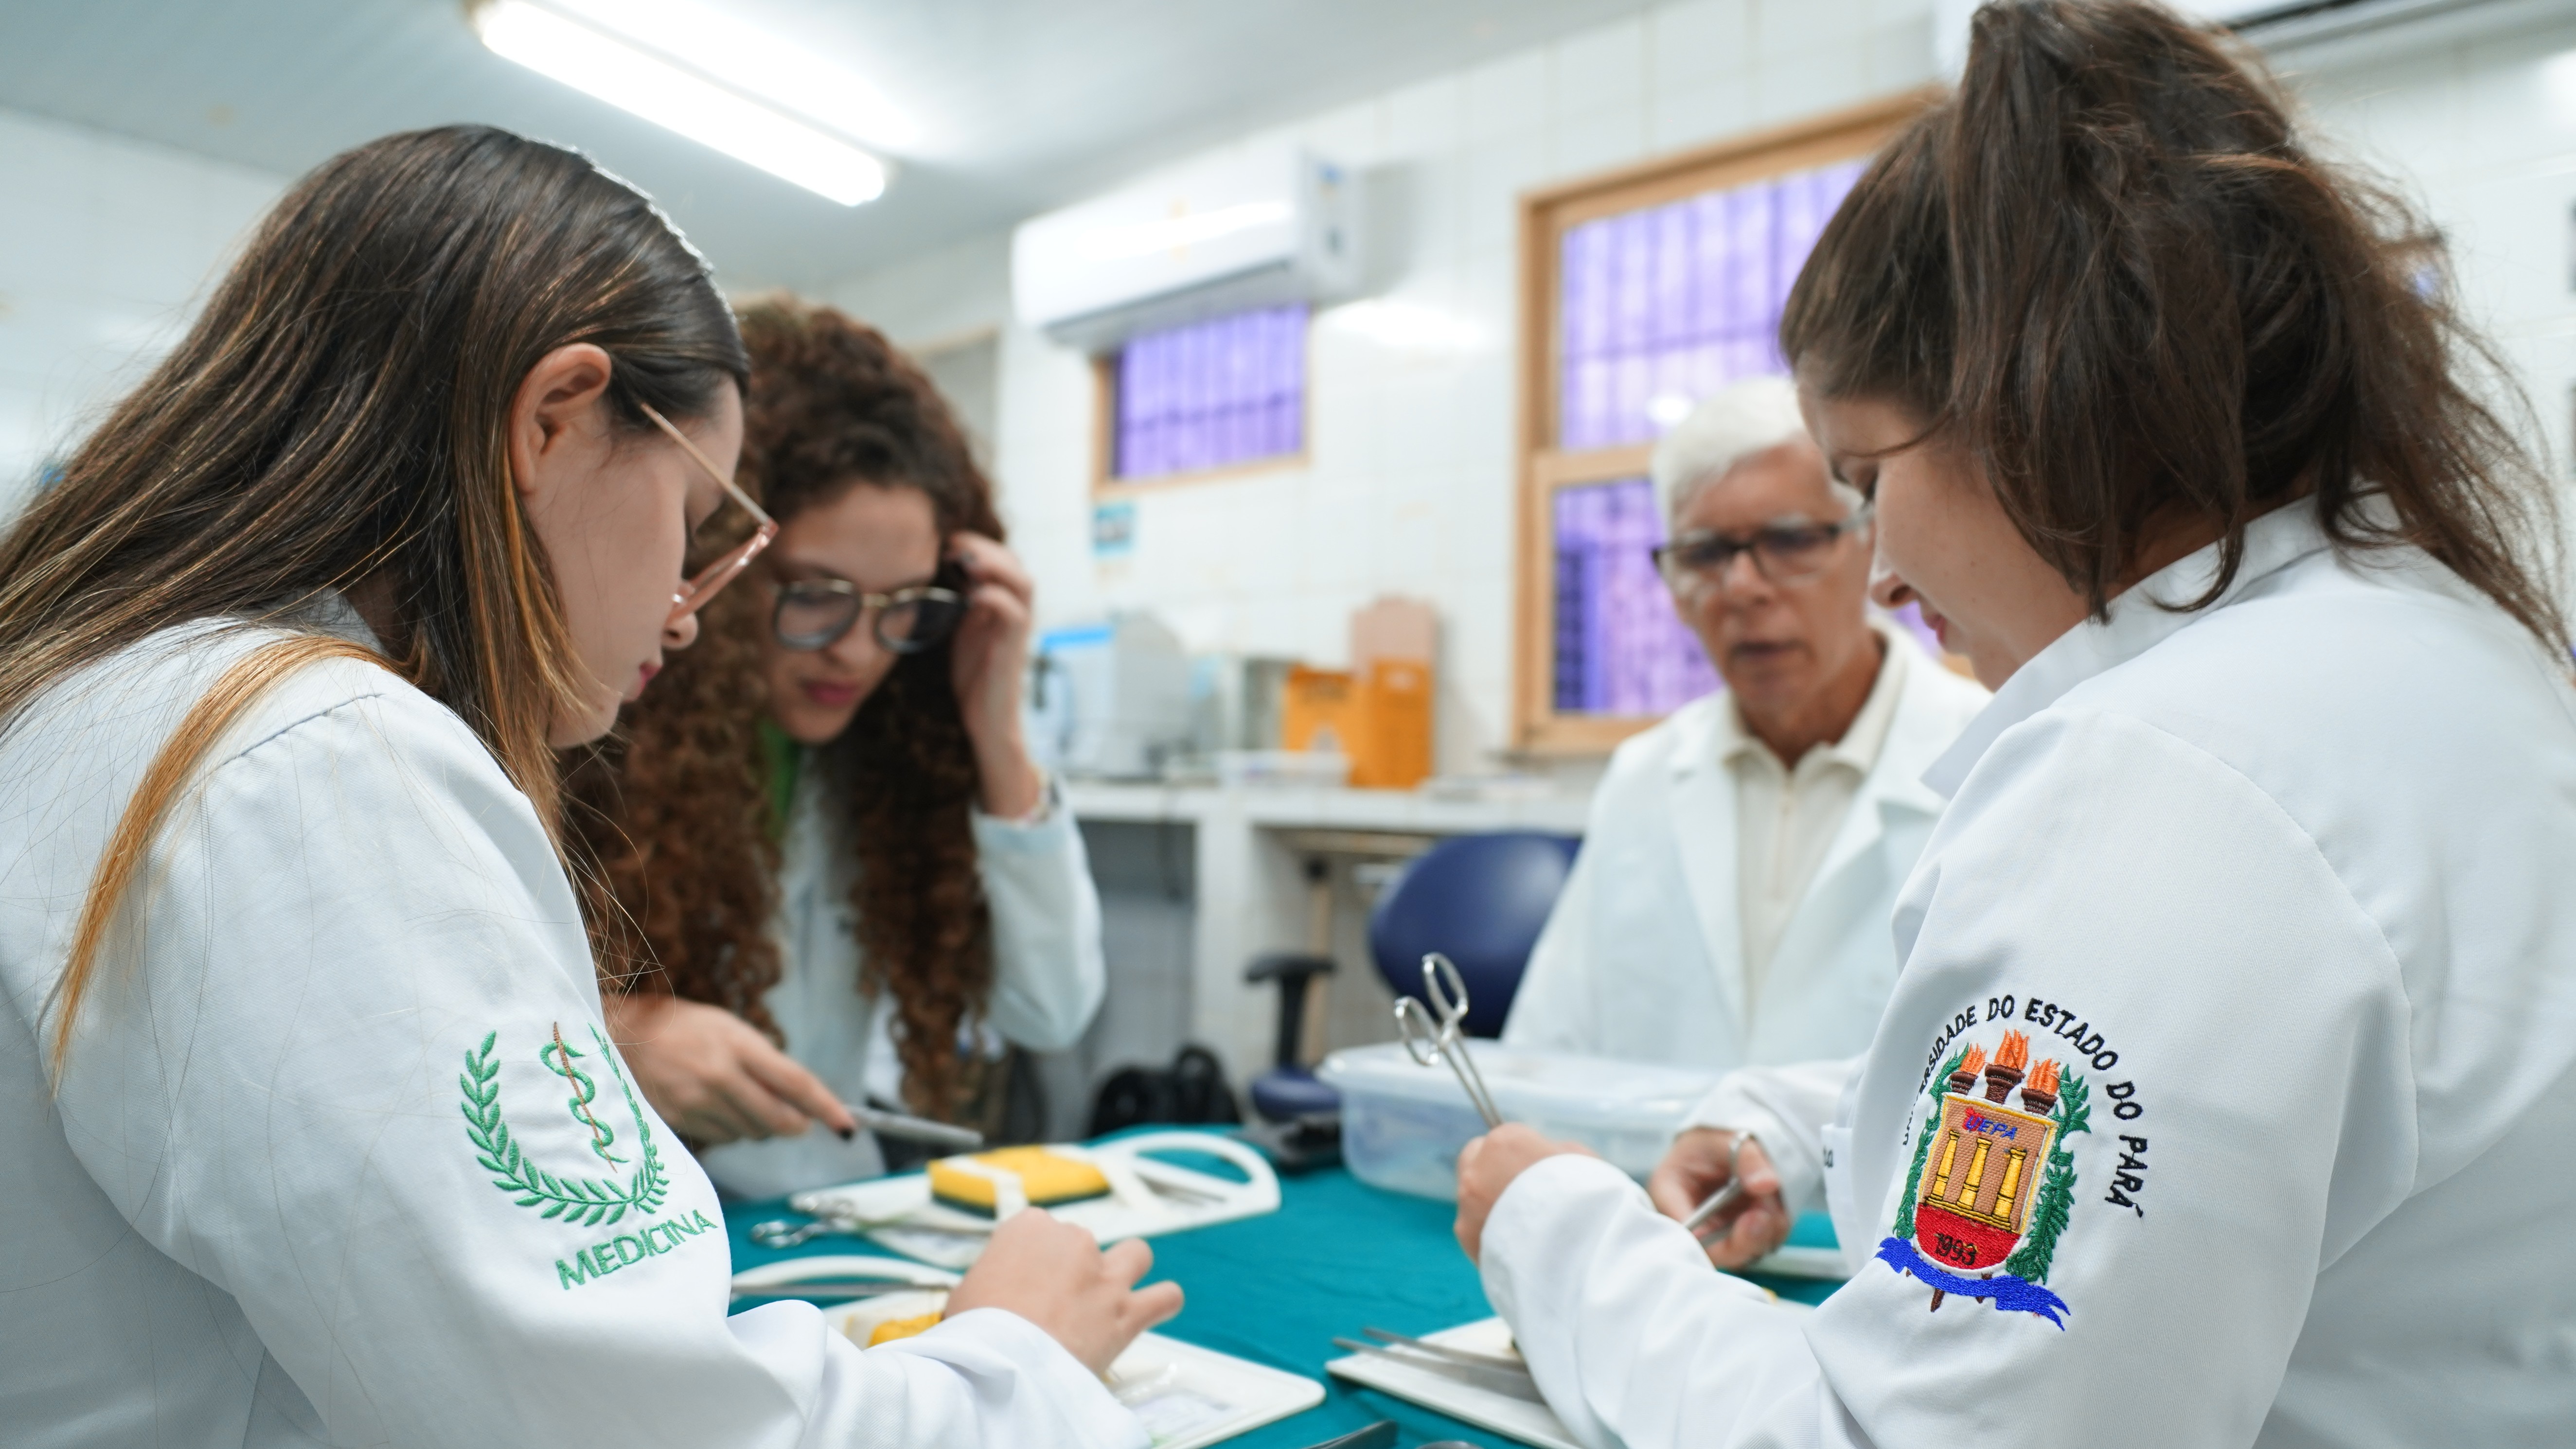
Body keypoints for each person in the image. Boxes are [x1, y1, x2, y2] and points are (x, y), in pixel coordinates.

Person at [1449, 2, 2576, 1445]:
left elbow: (1890, 1432)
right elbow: (2202, 1095)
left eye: (1862, 480)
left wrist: (1554, 1230)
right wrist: (1802, 1127)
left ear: (2027, 392)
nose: (1884, 563)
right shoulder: (2439, 649)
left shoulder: (2161, 779)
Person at [0, 126, 1173, 1448]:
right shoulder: (315, 757)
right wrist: (1011, 1361)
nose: (683, 614)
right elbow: (634, 1422)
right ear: (553, 420)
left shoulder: (131, 692)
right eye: (692, 517)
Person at [574, 298, 1104, 1198]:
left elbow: (1049, 1009)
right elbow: (429, 1041)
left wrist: (996, 729)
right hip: (637, 1226)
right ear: (716, 566)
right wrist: (612, 1038)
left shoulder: (890, 762)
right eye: (816, 595)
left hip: (833, 1209)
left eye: (903, 605)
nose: (858, 651)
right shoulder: (590, 737)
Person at [1501, 376, 1987, 1070]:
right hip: (1645, 1176)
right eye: (1702, 554)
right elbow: (1546, 1051)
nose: (1742, 589)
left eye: (1789, 541)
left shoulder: (1986, 761)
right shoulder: (1643, 778)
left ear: (1871, 546)